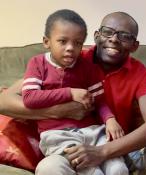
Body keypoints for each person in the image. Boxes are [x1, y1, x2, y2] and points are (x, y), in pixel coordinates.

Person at [0, 11, 146, 175]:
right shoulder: (71, 59)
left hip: (117, 147)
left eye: (124, 36)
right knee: (49, 168)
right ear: (96, 36)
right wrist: (60, 110)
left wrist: (103, 151)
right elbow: (4, 101)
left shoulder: (138, 72)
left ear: (134, 46)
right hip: (70, 145)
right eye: (107, 32)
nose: (114, 39)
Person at [20, 9, 127, 175]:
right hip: (58, 135)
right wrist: (70, 92)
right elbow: (29, 98)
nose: (70, 48)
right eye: (63, 41)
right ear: (46, 42)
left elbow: (99, 101)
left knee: (118, 169)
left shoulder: (86, 67)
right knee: (92, 171)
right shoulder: (37, 64)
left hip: (92, 131)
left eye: (77, 43)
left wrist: (110, 119)